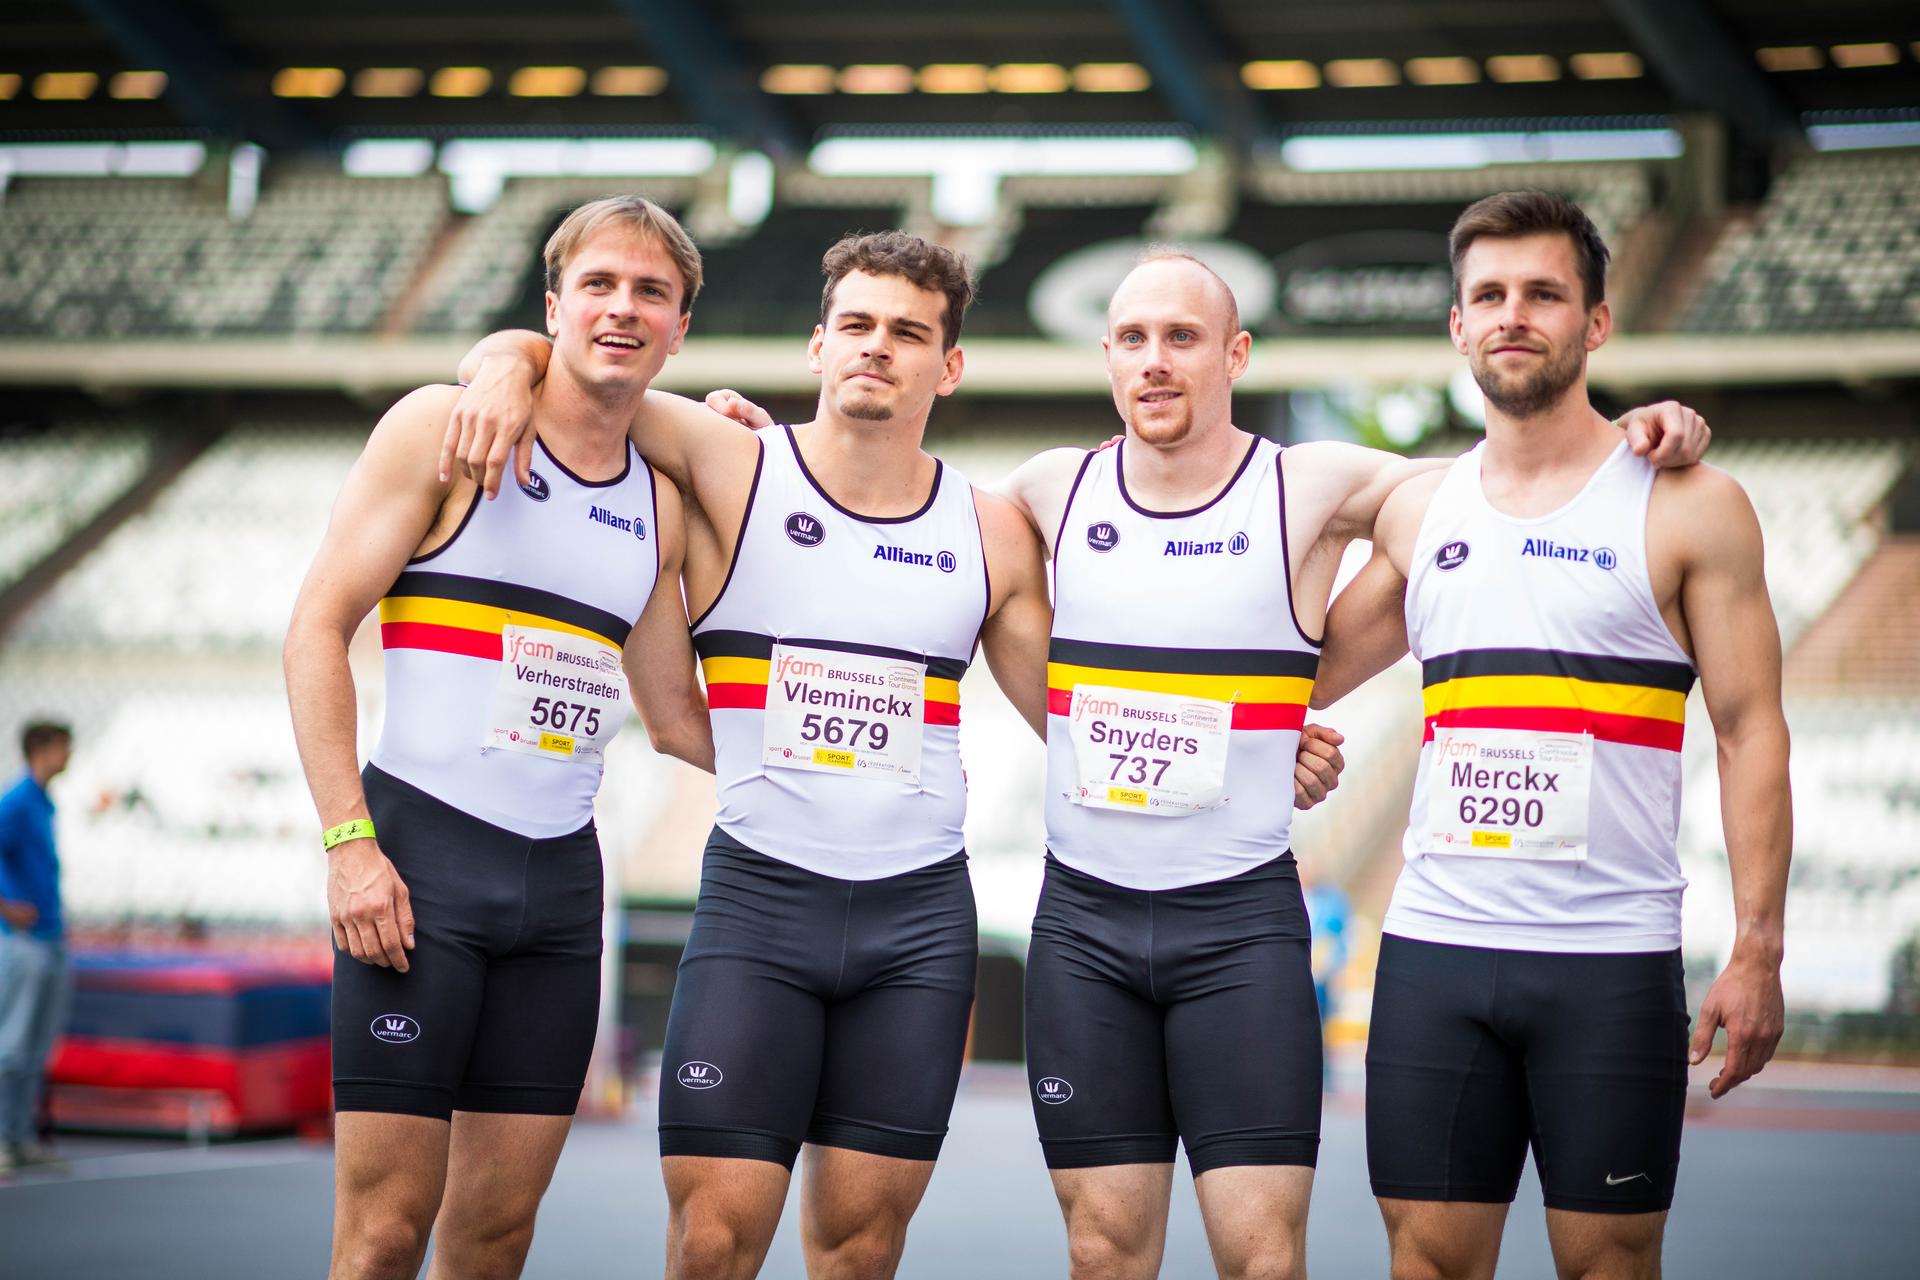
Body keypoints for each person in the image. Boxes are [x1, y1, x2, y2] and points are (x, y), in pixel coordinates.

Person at [446, 232, 1348, 1280]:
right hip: (759, 908)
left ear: (948, 366)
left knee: (863, 1247)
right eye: (860, 326)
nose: (880, 348)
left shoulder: (994, 528)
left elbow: (1077, 718)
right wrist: (505, 358)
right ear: (819, 342)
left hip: (914, 925)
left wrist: (1248, 751)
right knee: (710, 1240)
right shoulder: (725, 462)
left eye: (910, 333)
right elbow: (583, 371)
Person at [976, 250, 1709, 1280]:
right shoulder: (1047, 487)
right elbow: (897, 513)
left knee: (1264, 1256)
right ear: (1105, 355)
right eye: (1133, 339)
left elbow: (1505, 490)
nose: (1154, 361)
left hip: (1238, 929)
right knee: (1102, 1250)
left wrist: (1640, 434)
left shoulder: (1315, 481)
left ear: (1236, 353)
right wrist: (754, 440)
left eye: (1182, 337)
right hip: (1084, 929)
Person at [1312, 190, 1790, 1280]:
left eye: (1542, 293)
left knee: (1609, 1265)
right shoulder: (1420, 506)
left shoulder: (1688, 503)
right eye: (1489, 295)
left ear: (1597, 323)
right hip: (1435, 952)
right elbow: (1310, 669)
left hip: (1609, 963)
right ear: (1457, 325)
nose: (1512, 314)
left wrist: (1757, 943)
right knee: (1426, 1262)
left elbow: (1753, 730)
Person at [285, 195, 713, 1280]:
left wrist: (861, 751)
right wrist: (349, 842)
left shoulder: (660, 506)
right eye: (601, 284)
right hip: (418, 866)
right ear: (554, 304)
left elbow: (676, 718)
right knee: (383, 1233)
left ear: (680, 328)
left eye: (651, 292)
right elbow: (315, 631)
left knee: (495, 1237)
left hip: (561, 895)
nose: (623, 308)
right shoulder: (443, 428)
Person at [0, 720, 75, 1176]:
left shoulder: (42, 803)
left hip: (48, 935)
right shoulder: (18, 801)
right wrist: (7, 907)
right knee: (12, 1041)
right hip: (23, 940)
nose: (69, 756)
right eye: (64, 747)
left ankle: (20, 1136)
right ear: (44, 748)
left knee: (35, 1045)